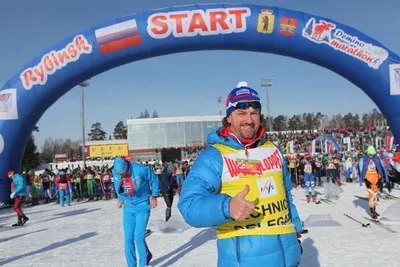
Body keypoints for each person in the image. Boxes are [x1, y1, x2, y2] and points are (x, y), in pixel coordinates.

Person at [178, 82, 303, 267]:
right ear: (229, 117)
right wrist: (227, 207)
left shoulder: (274, 150)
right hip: (243, 260)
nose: (249, 120)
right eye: (242, 113)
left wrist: (296, 233)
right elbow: (189, 205)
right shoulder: (214, 156)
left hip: (288, 256)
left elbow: (286, 196)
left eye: (254, 113)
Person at [112, 156, 159, 267]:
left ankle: (143, 265)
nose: (121, 176)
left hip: (142, 206)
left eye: (123, 173)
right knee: (128, 237)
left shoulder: (141, 169)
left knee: (138, 237)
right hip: (128, 207)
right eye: (119, 174)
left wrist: (154, 197)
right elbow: (116, 184)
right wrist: (120, 198)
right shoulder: (116, 172)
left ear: (127, 167)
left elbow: (155, 180)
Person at [359, 146, 390, 219]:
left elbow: (381, 168)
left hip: (376, 177)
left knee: (375, 194)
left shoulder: (377, 158)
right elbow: (361, 170)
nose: (372, 156)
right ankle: (372, 210)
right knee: (371, 194)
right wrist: (364, 179)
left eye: (373, 154)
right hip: (368, 177)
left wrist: (381, 178)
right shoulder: (363, 159)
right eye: (371, 154)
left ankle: (374, 208)